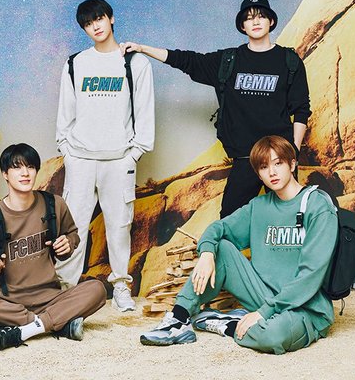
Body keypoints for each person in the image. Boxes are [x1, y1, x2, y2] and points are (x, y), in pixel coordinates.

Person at [140, 135, 338, 354]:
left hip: (305, 307)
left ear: (292, 164)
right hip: (262, 295)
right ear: (258, 174)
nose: (272, 172)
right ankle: (178, 320)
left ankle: (229, 324)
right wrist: (207, 253)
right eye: (264, 167)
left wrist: (263, 312)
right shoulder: (258, 206)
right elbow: (217, 229)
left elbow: (310, 275)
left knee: (272, 336)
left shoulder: (318, 205)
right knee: (221, 248)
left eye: (278, 163)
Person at [121, 0, 311, 218]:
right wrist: (143, 48)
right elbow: (186, 60)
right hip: (244, 158)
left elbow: (301, 109)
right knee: (229, 222)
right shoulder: (228, 60)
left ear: (271, 21)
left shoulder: (289, 60)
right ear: (242, 26)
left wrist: (293, 151)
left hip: (279, 157)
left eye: (261, 16)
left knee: (290, 219)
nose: (256, 21)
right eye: (249, 18)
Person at [55, 0, 155, 311]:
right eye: (88, 23)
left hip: (119, 159)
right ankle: (64, 290)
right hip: (81, 158)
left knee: (119, 225)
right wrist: (66, 150)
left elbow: (145, 112)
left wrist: (134, 154)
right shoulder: (75, 63)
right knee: (73, 227)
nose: (95, 26)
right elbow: (65, 112)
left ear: (110, 18)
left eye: (99, 19)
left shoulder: (135, 63)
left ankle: (121, 287)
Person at [0, 143, 106, 351]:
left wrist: (67, 243)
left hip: (50, 298)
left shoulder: (54, 205)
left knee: (97, 289)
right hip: (7, 303)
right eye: (17, 167)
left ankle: (22, 331)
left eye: (30, 167)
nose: (25, 173)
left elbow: (72, 234)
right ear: (5, 174)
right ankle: (56, 324)